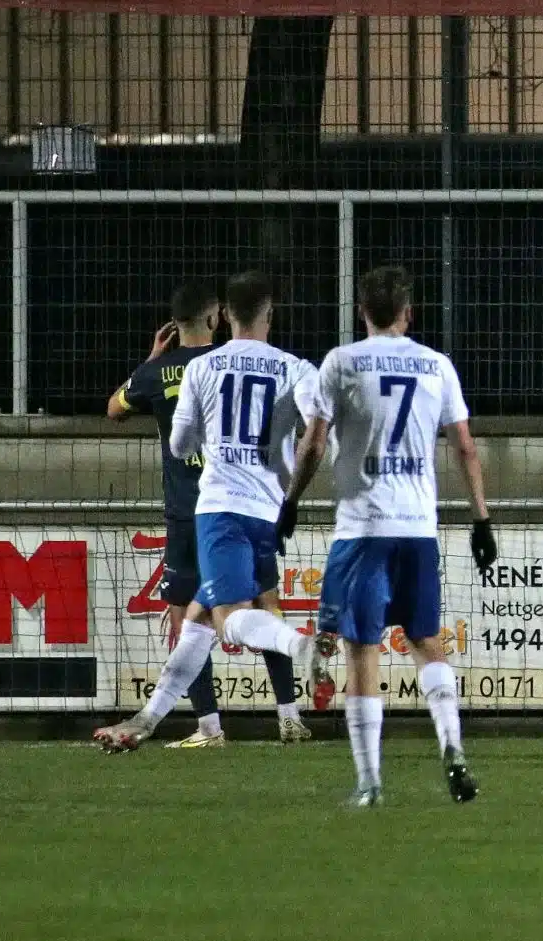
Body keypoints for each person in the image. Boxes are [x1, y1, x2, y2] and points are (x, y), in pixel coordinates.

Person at [277, 266, 498, 806]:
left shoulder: (341, 362)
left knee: (362, 650)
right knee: (426, 641)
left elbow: (313, 443)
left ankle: (370, 782)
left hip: (364, 528)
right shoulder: (436, 365)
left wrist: (291, 501)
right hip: (418, 529)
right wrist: (481, 519)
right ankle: (452, 745)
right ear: (408, 313)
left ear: (361, 313)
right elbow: (465, 446)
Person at [92, 272, 333, 752]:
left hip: (219, 510)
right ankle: (145, 721)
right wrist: (292, 493)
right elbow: (318, 436)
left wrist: (212, 437)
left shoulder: (203, 368)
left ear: (226, 315)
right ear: (269, 314)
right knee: (198, 621)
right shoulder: (296, 368)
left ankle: (301, 646)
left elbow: (180, 445)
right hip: (270, 513)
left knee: (227, 619)